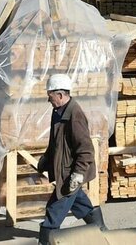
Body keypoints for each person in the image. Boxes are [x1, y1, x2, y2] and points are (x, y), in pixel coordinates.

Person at [36, 74, 104, 244]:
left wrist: (78, 174)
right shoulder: (58, 112)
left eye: (50, 96)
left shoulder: (75, 115)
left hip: (70, 173)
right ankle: (102, 231)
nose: (48, 100)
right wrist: (46, 158)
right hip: (65, 169)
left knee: (54, 211)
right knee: (80, 202)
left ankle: (44, 242)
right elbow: (56, 142)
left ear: (60, 95)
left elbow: (86, 149)